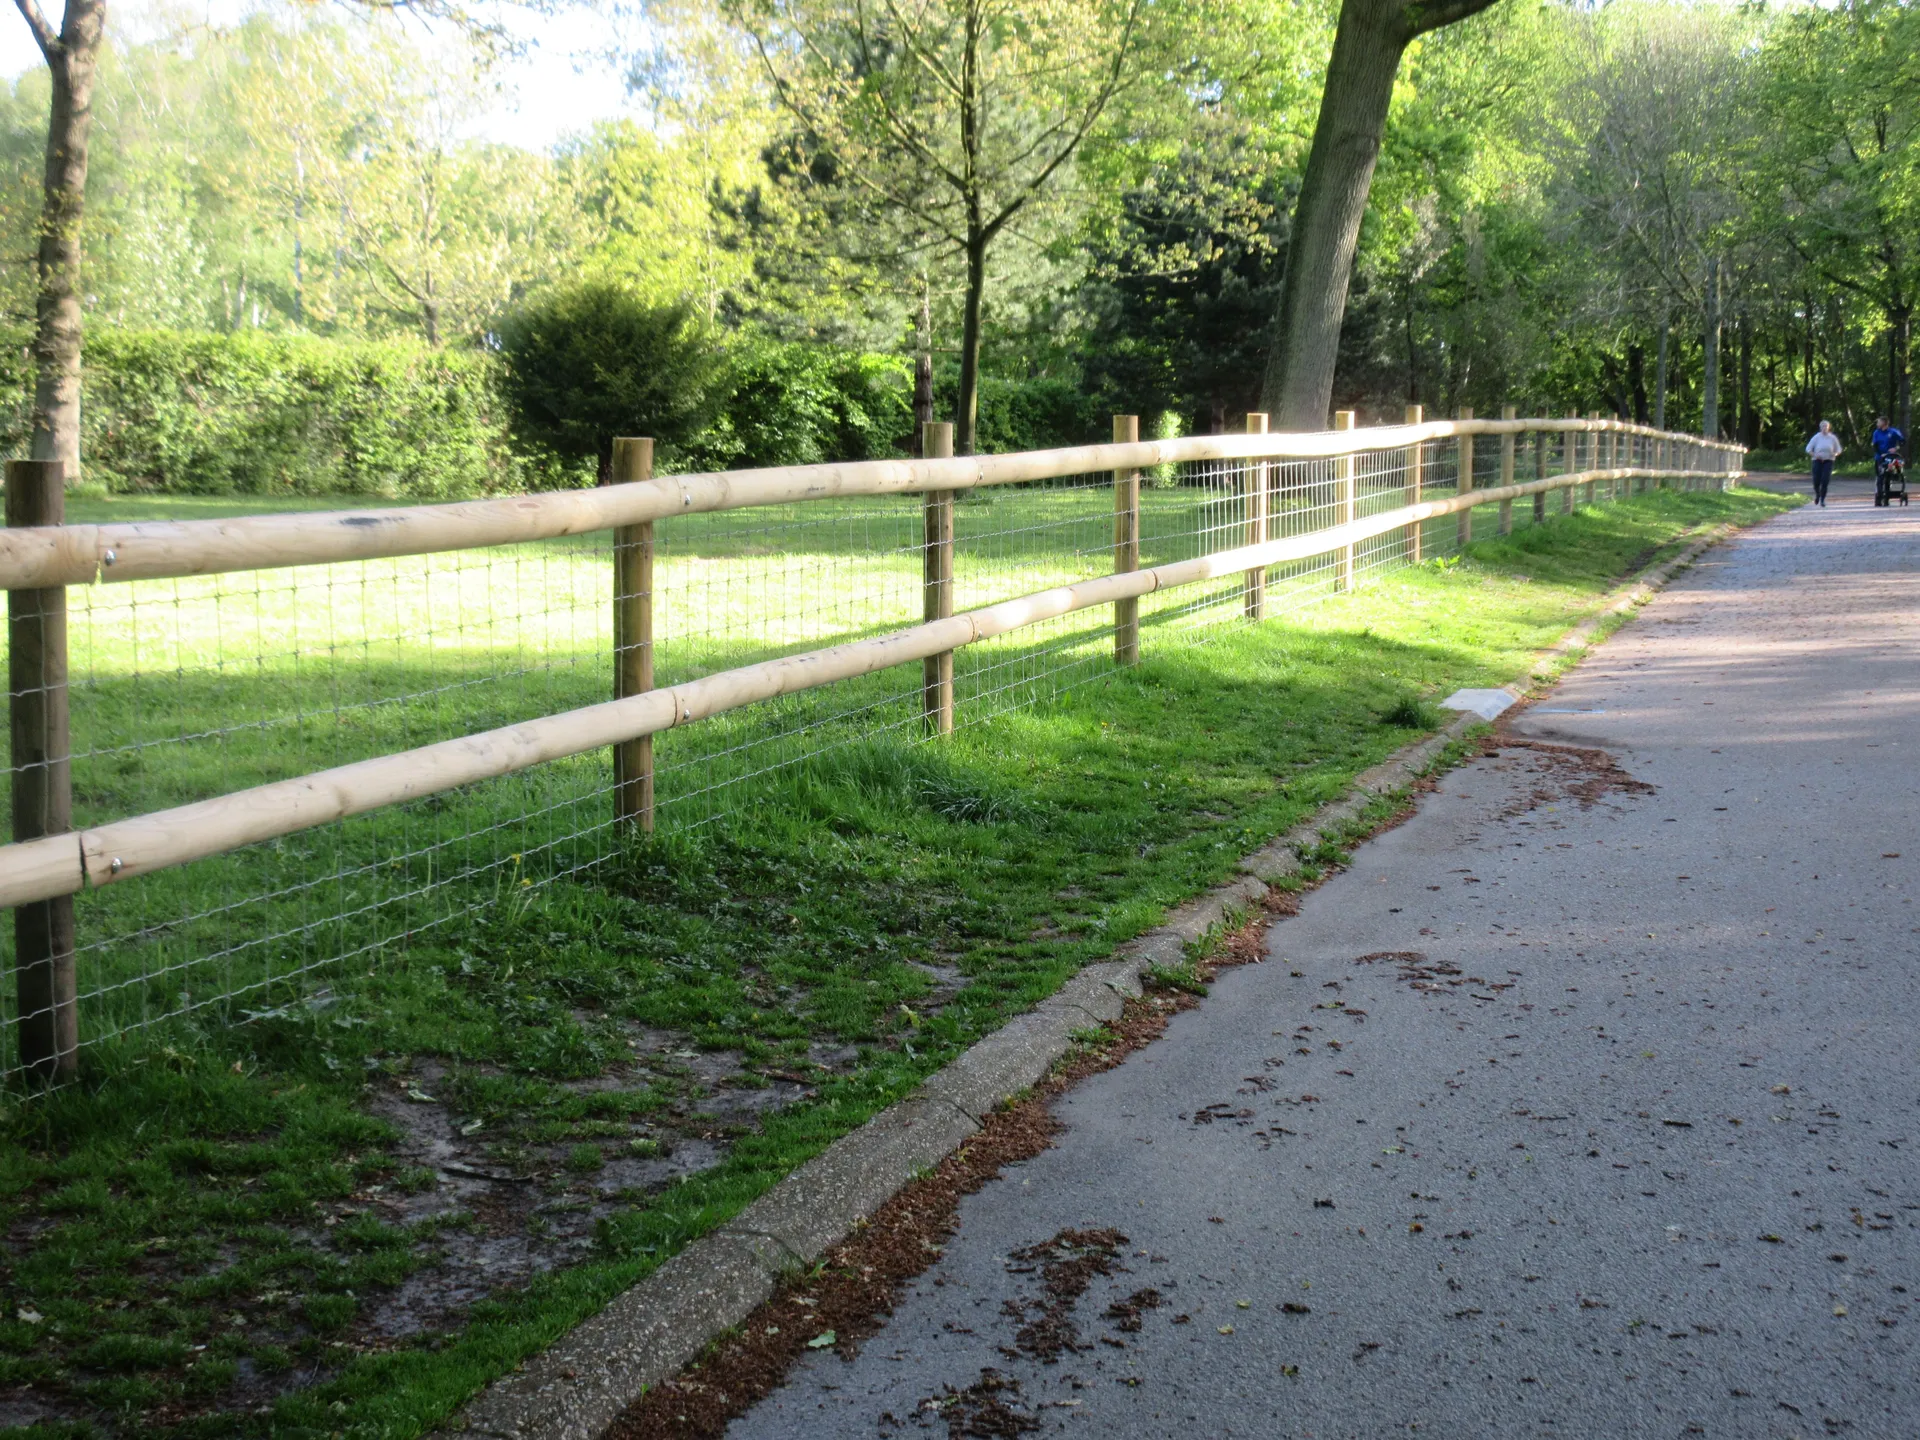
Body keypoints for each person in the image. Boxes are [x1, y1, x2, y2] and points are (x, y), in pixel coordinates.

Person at [1806, 420, 1842, 507]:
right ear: (1820, 427)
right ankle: (1817, 494)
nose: (1824, 428)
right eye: (1823, 426)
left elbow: (1839, 450)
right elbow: (1808, 449)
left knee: (1825, 480)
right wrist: (1814, 455)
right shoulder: (1816, 437)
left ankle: (1822, 499)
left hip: (1828, 460)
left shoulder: (1832, 438)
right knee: (1816, 481)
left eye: (1826, 426)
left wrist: (1835, 454)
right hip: (1817, 460)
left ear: (1829, 427)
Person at [1870, 416, 1905, 505]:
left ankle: (1887, 498)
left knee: (1890, 476)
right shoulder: (1876, 433)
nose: (1877, 424)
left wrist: (1896, 448)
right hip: (1880, 457)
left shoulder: (1893, 432)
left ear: (1884, 423)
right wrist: (1881, 454)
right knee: (1880, 477)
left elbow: (1902, 441)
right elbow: (1875, 445)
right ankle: (1879, 497)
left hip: (1891, 457)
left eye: (1879, 422)